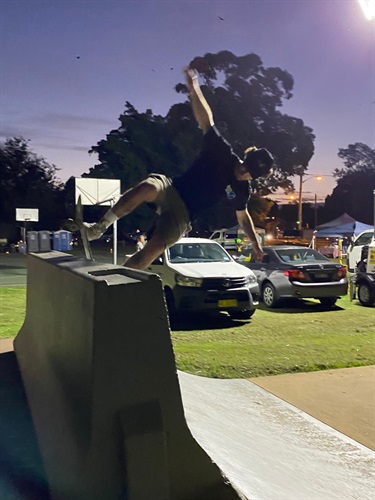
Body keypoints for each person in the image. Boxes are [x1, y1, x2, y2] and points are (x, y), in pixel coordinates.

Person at [64, 67, 274, 270]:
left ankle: (116, 283)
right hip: (171, 189)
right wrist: (194, 89)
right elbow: (207, 121)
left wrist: (255, 244)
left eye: (251, 174)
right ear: (246, 157)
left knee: (151, 251)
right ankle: (99, 228)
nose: (245, 173)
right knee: (148, 186)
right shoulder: (222, 152)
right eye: (246, 166)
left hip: (183, 216)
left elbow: (243, 217)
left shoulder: (241, 191)